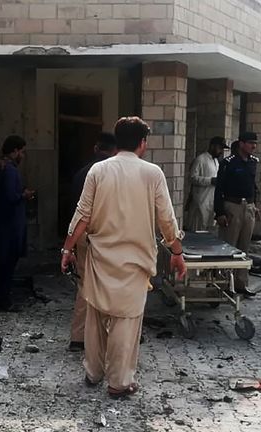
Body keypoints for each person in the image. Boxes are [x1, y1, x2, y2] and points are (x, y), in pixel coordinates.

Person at [60, 117, 186, 398]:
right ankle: (119, 382)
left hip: (99, 258)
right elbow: (166, 220)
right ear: (143, 143)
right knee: (126, 322)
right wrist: (177, 252)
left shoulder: (98, 170)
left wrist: (67, 249)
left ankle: (93, 371)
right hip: (135, 262)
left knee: (95, 315)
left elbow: (82, 214)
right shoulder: (152, 173)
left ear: (117, 141)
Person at [68, 132, 118, 352]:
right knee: (112, 286)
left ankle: (79, 337)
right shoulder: (115, 174)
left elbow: (76, 211)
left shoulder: (81, 173)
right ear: (114, 151)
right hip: (107, 238)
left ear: (97, 147)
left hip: (83, 237)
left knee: (84, 285)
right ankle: (110, 337)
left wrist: (68, 245)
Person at [0, 135, 35, 312]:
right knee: (8, 262)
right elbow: (10, 197)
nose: (23, 155)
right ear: (15, 150)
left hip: (0, 221)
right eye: (22, 151)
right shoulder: (10, 170)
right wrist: (24, 195)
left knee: (0, 260)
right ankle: (4, 301)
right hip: (11, 223)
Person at [214, 132, 260, 297]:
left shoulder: (253, 162)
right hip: (231, 205)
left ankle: (241, 283)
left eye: (255, 143)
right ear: (241, 144)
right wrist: (219, 212)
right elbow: (219, 189)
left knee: (244, 247)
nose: (253, 146)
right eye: (250, 143)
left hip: (248, 206)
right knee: (229, 246)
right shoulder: (228, 163)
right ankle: (225, 284)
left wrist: (255, 205)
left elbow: (253, 186)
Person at [188, 137, 227, 232]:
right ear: (212, 146)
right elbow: (192, 178)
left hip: (211, 202)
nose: (221, 151)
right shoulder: (201, 159)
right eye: (220, 148)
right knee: (198, 230)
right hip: (200, 202)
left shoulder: (216, 161)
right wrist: (210, 181)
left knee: (210, 231)